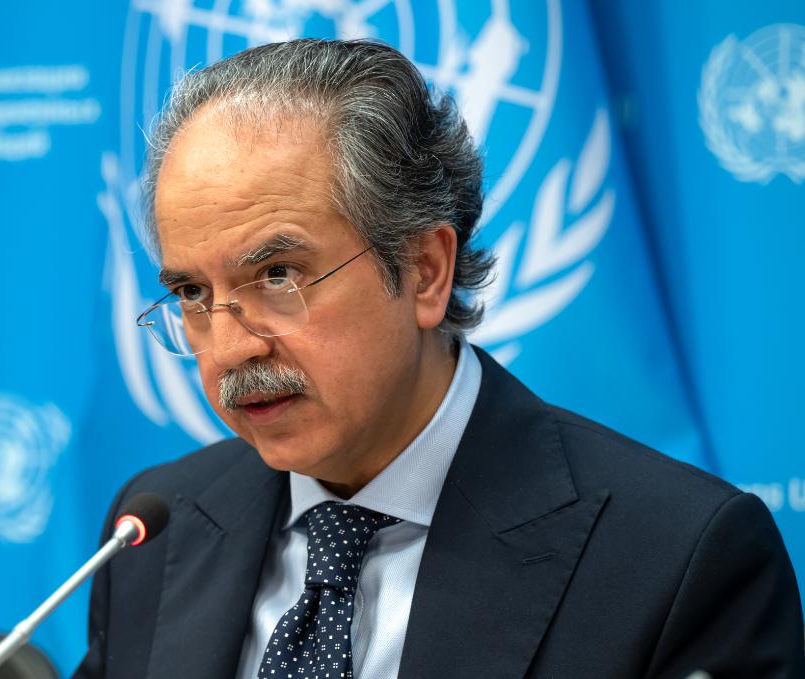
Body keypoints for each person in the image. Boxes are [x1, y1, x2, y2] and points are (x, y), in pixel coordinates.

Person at [74, 39, 804, 679]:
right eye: (192, 293)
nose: (231, 347)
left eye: (277, 276)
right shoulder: (152, 533)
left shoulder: (676, 558)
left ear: (424, 270)